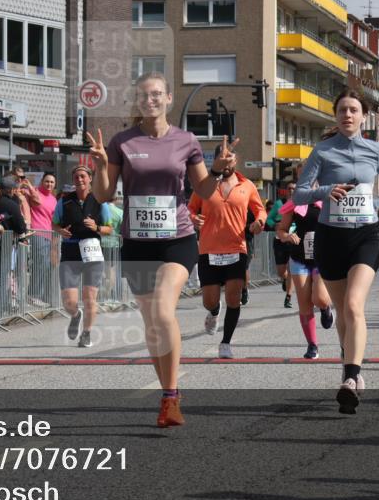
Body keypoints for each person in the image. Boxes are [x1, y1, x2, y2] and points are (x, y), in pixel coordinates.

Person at [87, 71, 238, 428]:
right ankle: (167, 393)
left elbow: (202, 190)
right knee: (151, 324)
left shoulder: (186, 141)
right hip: (136, 243)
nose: (150, 100)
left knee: (163, 309)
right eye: (143, 95)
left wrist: (216, 169)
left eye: (156, 94)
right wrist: (98, 165)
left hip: (177, 239)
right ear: (136, 101)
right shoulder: (122, 141)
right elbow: (104, 195)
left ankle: (170, 398)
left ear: (169, 98)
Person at [293, 89, 379, 415]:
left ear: (363, 116)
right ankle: (350, 364)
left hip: (366, 235)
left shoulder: (375, 149)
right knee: (342, 311)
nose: (348, 115)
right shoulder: (322, 152)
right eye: (342, 110)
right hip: (331, 237)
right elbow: (298, 194)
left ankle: (350, 379)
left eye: (354, 110)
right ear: (336, 116)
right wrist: (327, 190)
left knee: (354, 305)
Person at [188, 145, 266, 359]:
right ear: (215, 160)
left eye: (229, 158)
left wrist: (259, 222)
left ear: (235, 161)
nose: (226, 162)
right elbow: (191, 208)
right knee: (209, 300)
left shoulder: (247, 185)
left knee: (234, 298)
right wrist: (194, 218)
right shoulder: (204, 186)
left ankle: (226, 343)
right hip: (208, 250)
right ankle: (213, 311)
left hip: (236, 249)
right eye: (221, 158)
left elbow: (259, 209)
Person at [52, 165, 113, 348]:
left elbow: (109, 229)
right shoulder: (64, 201)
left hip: (93, 253)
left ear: (90, 179)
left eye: (83, 176)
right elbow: (54, 224)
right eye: (77, 177)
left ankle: (86, 333)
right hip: (71, 253)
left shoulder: (99, 201)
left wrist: (96, 228)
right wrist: (60, 230)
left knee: (89, 298)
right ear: (73, 180)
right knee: (69, 301)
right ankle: (75, 315)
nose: (80, 180)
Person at [276, 196, 334, 359]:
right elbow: (281, 230)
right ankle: (312, 345)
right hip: (299, 257)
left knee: (320, 298)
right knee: (304, 304)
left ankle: (325, 308)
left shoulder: (328, 200)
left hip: (322, 257)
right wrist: (287, 236)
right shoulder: (295, 202)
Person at [26, 172, 59, 305]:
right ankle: (34, 294)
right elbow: (31, 197)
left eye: (52, 182)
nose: (49, 184)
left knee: (46, 265)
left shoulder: (53, 198)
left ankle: (43, 295)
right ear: (42, 182)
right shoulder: (35, 192)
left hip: (49, 234)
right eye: (47, 181)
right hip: (37, 232)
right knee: (39, 264)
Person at [267, 183, 296, 308]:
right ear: (286, 191)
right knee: (281, 271)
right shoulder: (279, 203)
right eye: (289, 188)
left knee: (291, 268)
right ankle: (284, 279)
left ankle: (288, 297)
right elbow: (269, 219)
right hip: (279, 239)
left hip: (294, 239)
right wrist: (274, 225)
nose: (291, 190)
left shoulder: (300, 203)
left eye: (294, 188)